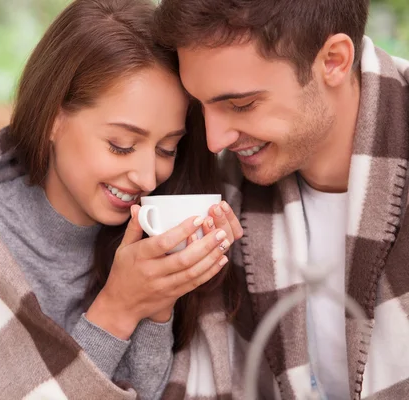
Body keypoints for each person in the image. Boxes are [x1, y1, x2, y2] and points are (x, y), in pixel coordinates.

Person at [0, 0, 243, 399]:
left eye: (166, 149)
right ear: (54, 119)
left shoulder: (148, 223)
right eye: (121, 145)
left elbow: (149, 393)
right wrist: (117, 309)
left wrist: (161, 299)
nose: (147, 177)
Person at [155, 0, 409, 398]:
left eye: (241, 105)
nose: (214, 139)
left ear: (334, 61)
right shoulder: (221, 188)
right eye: (199, 106)